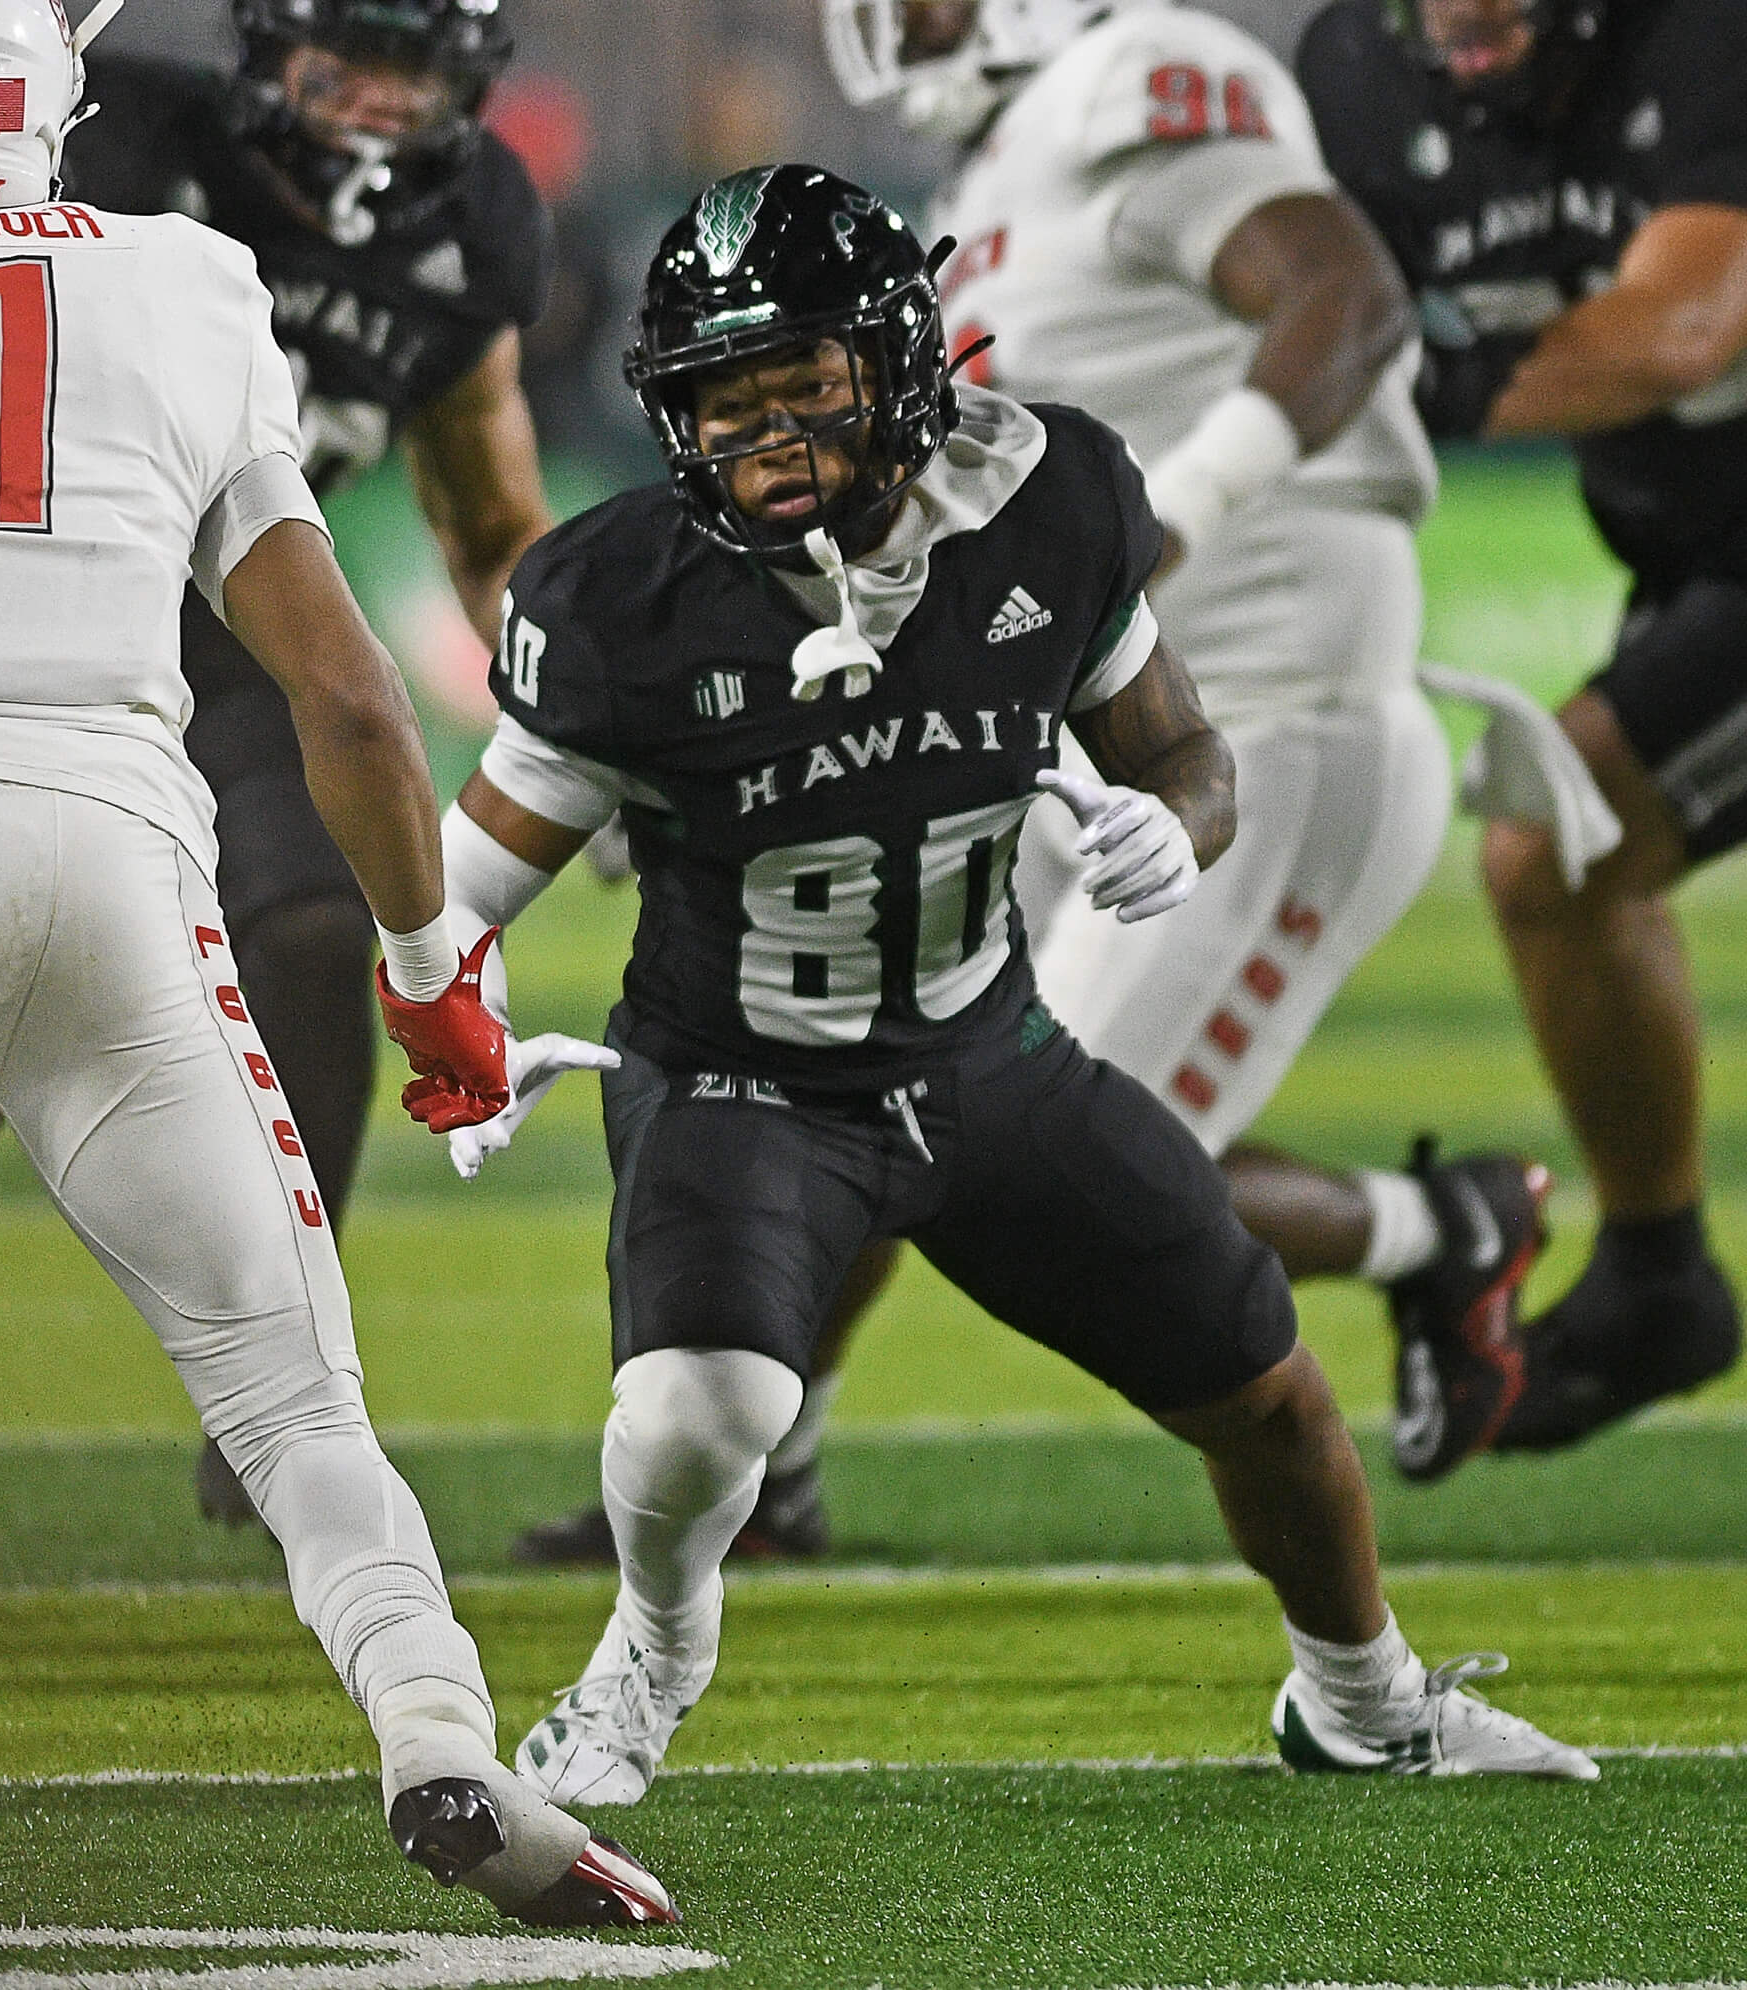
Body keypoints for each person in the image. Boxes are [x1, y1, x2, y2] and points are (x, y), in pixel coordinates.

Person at [438, 162, 1597, 1796]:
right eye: (723, 399)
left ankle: (1364, 1696)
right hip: (742, 1080)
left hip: (989, 1058)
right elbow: (459, 885)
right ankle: (649, 1650)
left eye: (801, 384)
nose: (763, 436)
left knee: (1265, 1383)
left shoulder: (1047, 504)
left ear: (899, 365)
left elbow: (1183, 748)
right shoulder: (621, 602)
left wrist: (1175, 827)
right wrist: (452, 1007)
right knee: (702, 1412)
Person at [0, 0, 673, 1929]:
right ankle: (438, 1735)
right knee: (297, 1412)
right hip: (106, 862)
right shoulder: (184, 275)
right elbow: (352, 695)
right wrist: (433, 970)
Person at [0, 0, 560, 1543]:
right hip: (28, 594)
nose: (372, 107)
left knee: (311, 932)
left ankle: (278, 1377)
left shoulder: (475, 222)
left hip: (256, 614)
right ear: (266, 51)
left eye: (410, 74)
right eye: (344, 63)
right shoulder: (110, 132)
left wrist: (584, 708)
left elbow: (489, 520)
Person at [1295, 0, 1746, 1458]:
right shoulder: (1356, 74)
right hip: (1698, 549)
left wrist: (1387, 389)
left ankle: (1661, 1285)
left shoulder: (1707, 40)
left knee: (1558, 839)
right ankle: (1659, 1283)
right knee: (1561, 854)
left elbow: (1686, 328)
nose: (1457, 10)